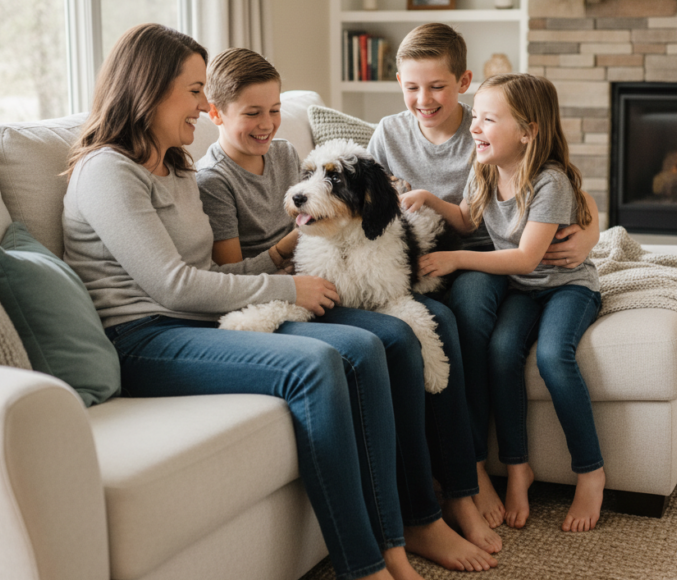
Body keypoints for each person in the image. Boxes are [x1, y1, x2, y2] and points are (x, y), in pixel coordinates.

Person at [62, 23, 426, 580]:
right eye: (192, 91)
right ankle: (366, 567)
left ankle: (396, 541)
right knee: (319, 366)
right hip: (140, 338)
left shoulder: (176, 165)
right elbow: (173, 286)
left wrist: (289, 250)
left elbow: (211, 276)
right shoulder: (107, 171)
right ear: (149, 89)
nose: (202, 104)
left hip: (197, 321)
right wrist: (287, 287)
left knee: (366, 346)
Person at [194, 47, 500, 571]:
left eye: (274, 110)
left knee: (444, 322)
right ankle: (420, 515)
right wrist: (294, 254)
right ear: (216, 113)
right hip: (291, 283)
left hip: (326, 262)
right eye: (253, 113)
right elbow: (231, 274)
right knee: (399, 339)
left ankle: (461, 488)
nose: (268, 124)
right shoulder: (213, 180)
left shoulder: (289, 153)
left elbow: (338, 193)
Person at [366, 22, 601, 529]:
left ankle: (502, 467)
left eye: (437, 86)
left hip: (492, 264)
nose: (424, 99)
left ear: (464, 82)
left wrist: (592, 229)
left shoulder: (491, 127)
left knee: (476, 319)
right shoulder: (399, 136)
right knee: (481, 345)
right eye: (411, 87)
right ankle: (479, 465)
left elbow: (560, 191)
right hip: (433, 262)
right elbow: (448, 209)